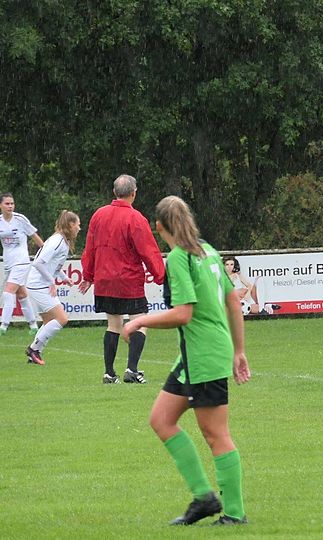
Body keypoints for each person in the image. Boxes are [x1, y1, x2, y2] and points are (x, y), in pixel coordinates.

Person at [121, 195, 250, 526]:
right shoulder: (207, 250)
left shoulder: (179, 257)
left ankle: (234, 514)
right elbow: (233, 301)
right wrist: (238, 350)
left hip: (204, 355)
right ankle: (204, 498)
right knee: (161, 420)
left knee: (215, 434)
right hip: (195, 354)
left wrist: (139, 320)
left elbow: (183, 314)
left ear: (158, 227)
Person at [78, 174, 166, 384]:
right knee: (139, 322)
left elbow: (90, 248)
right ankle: (132, 370)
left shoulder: (98, 215)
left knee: (113, 324)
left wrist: (88, 275)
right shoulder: (136, 218)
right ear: (134, 193)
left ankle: (109, 373)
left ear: (114, 192)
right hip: (129, 280)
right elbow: (148, 251)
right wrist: (161, 276)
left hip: (105, 280)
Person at [24, 211, 81, 365]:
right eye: (78, 224)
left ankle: (34, 353)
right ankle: (33, 349)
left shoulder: (62, 241)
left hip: (39, 284)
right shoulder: (57, 241)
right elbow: (38, 263)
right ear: (70, 225)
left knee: (49, 321)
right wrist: (51, 282)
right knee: (62, 319)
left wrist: (64, 277)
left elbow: (52, 264)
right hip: (38, 285)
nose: (79, 228)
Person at [0, 192, 44, 335]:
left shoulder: (20, 219)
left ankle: (3, 326)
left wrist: (45, 251)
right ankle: (33, 325)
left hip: (22, 262)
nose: (10, 206)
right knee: (21, 294)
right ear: (1, 205)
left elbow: (34, 236)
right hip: (8, 263)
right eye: (7, 203)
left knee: (8, 292)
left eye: (12, 203)